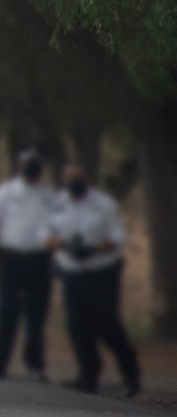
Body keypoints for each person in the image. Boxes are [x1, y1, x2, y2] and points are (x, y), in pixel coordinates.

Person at [44, 165, 141, 398]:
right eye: (69, 179)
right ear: (64, 181)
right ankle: (88, 375)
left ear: (86, 179)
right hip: (72, 271)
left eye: (78, 178)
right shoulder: (58, 203)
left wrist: (92, 248)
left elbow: (118, 236)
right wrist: (63, 245)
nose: (73, 183)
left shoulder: (103, 204)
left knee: (107, 325)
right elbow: (45, 234)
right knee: (78, 325)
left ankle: (131, 375)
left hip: (102, 272)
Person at [0, 149, 55, 382]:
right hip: (10, 259)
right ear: (21, 166)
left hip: (39, 261)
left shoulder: (48, 196)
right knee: (7, 313)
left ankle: (35, 366)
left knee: (36, 317)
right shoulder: (6, 192)